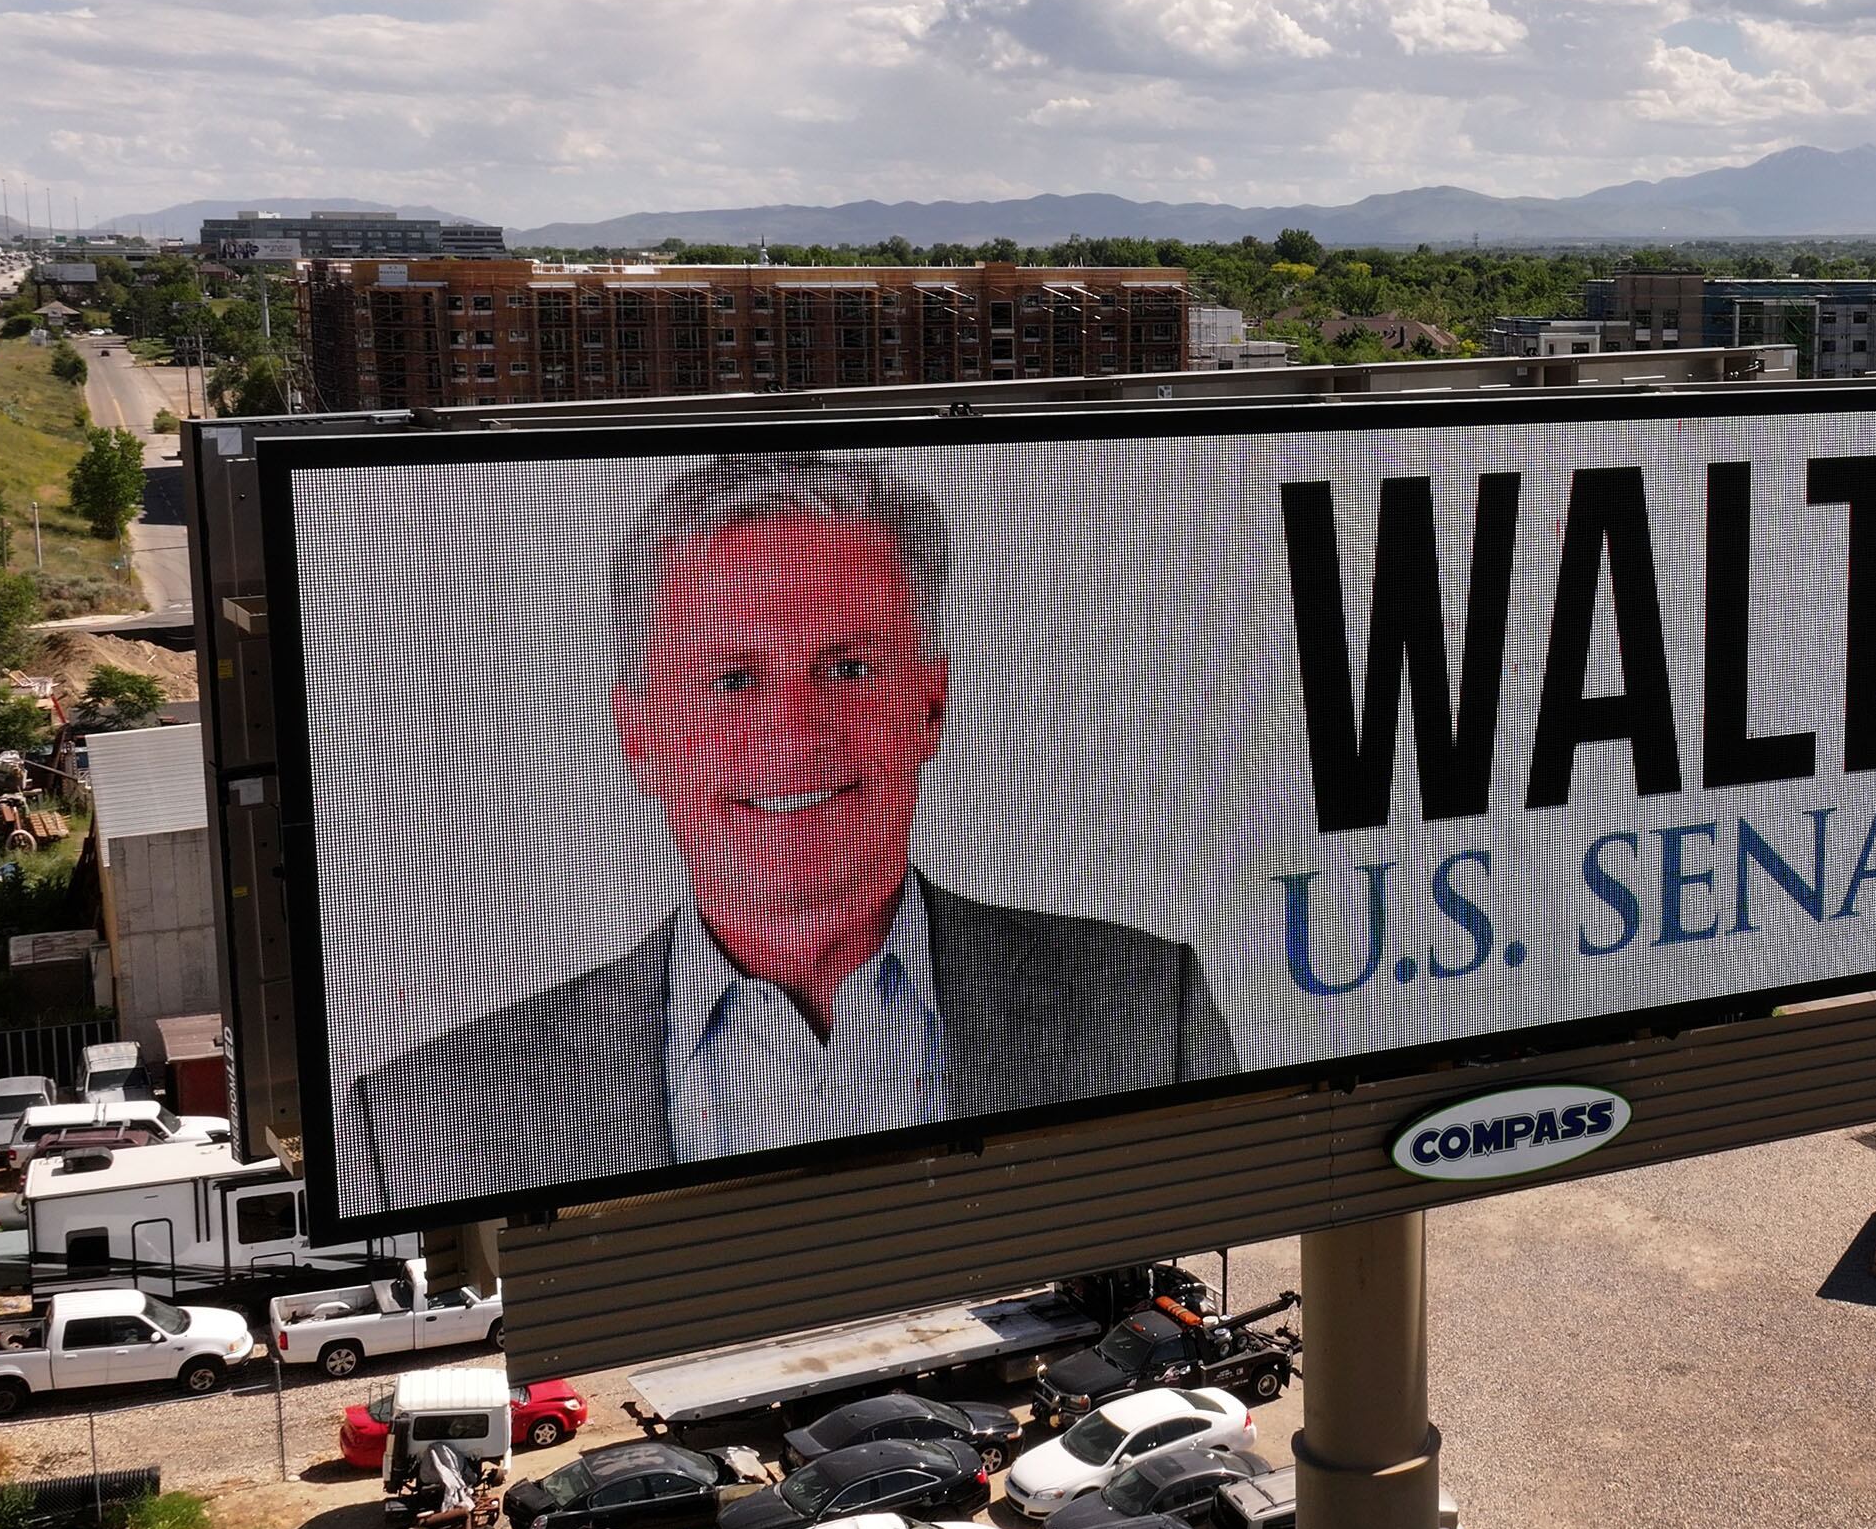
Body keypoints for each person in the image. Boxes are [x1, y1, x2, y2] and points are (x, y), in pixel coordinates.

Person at [333, 451, 1236, 1216]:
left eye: (847, 668)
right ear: (640, 740)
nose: (794, 739)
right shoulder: (424, 1117)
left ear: (928, 707)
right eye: (731, 680)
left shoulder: (1151, 1006)